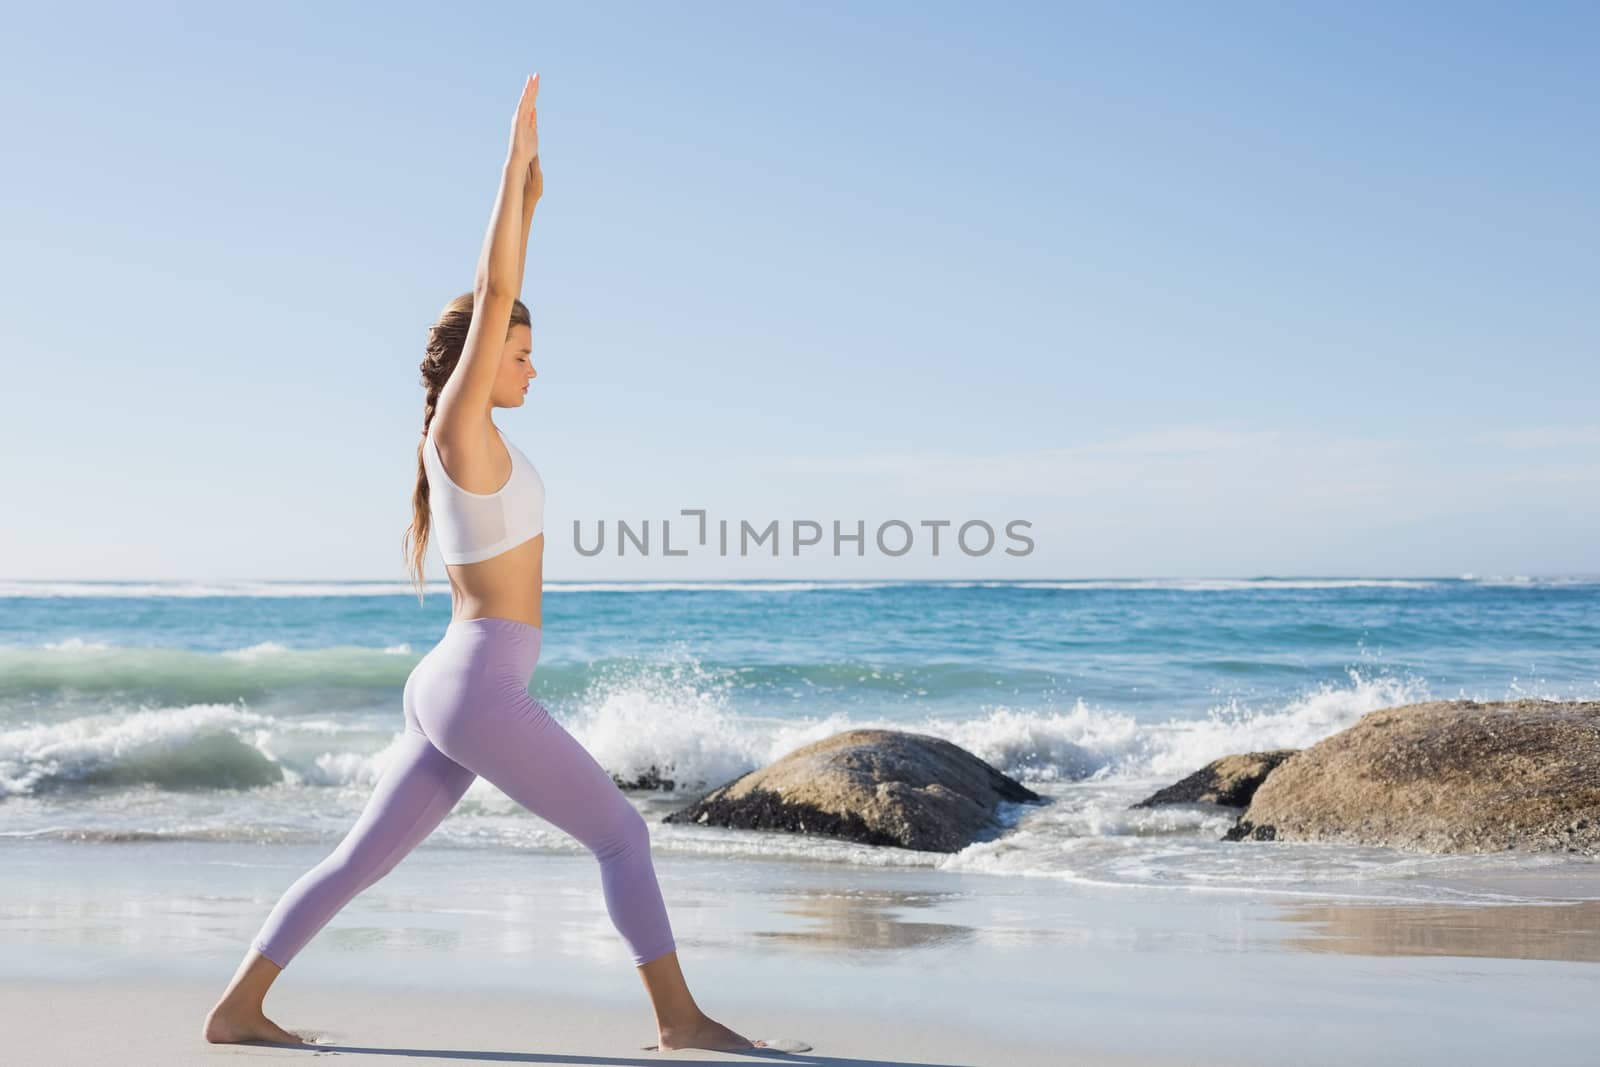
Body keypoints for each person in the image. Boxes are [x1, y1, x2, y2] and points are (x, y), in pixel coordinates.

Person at [201, 73, 765, 1054]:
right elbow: (496, 287)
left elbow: (504, 304)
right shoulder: (459, 431)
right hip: (476, 683)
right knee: (621, 835)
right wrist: (514, 179)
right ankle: (680, 1020)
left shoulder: (464, 445)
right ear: (474, 361)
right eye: (519, 353)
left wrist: (531, 201)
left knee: (357, 862)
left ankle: (237, 1007)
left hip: (457, 678)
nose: (533, 367)